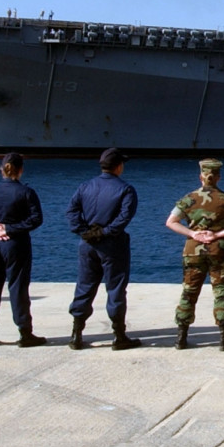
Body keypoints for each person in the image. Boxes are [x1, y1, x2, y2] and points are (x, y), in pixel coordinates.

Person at [166, 158, 224, 351]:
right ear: (218, 177)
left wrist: (193, 233)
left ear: (201, 176)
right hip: (220, 249)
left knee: (189, 290)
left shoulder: (188, 199)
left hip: (193, 250)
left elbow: (171, 221)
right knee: (221, 292)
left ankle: (181, 337)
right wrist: (217, 234)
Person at [66, 147, 140, 350]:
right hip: (113, 245)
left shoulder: (84, 186)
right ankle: (119, 335)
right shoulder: (126, 189)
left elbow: (71, 211)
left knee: (84, 286)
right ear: (119, 166)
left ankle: (76, 334)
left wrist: (84, 231)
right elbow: (124, 218)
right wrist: (105, 232)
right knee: (115, 289)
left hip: (87, 244)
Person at [0, 152, 46, 347]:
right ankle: (24, 333)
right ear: (21, 169)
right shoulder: (26, 192)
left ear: (2, 169)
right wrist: (11, 229)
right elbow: (36, 219)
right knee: (18, 288)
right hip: (17, 244)